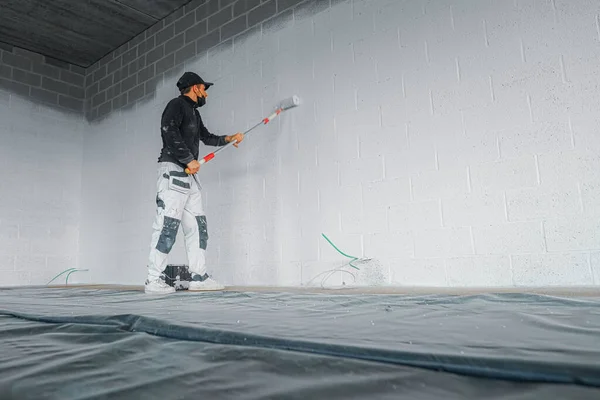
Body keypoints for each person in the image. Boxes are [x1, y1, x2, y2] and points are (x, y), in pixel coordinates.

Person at [144, 71, 244, 294]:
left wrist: (228, 139)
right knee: (167, 225)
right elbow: (169, 132)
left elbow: (206, 137)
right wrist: (188, 159)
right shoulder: (176, 105)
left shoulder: (194, 114)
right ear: (197, 88)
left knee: (198, 228)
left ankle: (199, 277)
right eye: (204, 89)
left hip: (189, 175)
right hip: (173, 172)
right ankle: (153, 279)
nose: (205, 94)